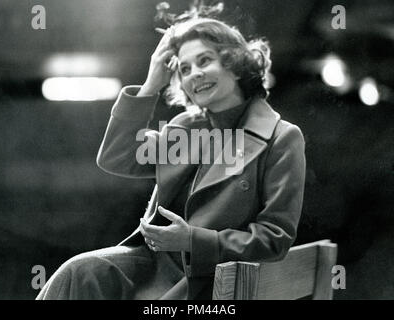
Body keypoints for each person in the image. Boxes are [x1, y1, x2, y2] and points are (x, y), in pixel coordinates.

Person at [36, 17, 306, 300]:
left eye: (205, 61)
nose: (194, 75)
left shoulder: (282, 136)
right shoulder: (184, 127)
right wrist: (151, 84)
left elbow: (273, 238)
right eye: (184, 68)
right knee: (78, 272)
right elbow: (117, 156)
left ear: (235, 64)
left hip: (213, 278)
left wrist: (192, 240)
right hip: (154, 266)